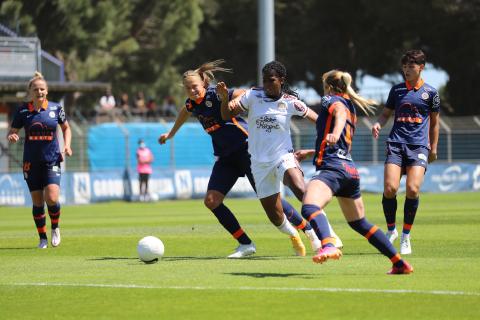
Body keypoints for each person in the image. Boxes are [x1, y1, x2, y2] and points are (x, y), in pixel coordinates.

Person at [159, 60, 320, 258]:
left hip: (248, 152)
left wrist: (240, 98)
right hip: (226, 158)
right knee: (211, 201)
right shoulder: (192, 104)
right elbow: (184, 112)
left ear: (204, 84)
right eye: (187, 88)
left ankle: (308, 230)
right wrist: (171, 133)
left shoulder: (215, 95)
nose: (191, 90)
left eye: (195, 86)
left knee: (272, 200)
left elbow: (247, 93)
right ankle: (245, 244)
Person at [296, 69, 413, 274]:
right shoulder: (351, 107)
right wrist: (312, 151)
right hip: (349, 170)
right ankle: (398, 262)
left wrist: (334, 132)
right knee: (360, 223)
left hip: (332, 168)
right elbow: (340, 138)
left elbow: (338, 114)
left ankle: (328, 244)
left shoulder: (330, 100)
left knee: (309, 207)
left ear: (330, 87)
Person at [225, 61, 343, 256]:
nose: (267, 85)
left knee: (299, 186)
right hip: (259, 163)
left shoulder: (290, 102)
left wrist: (332, 136)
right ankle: (298, 235)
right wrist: (225, 101)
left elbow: (319, 121)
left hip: (283, 156)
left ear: (281, 80)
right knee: (275, 216)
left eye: (271, 80)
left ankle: (329, 235)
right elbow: (229, 112)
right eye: (264, 81)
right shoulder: (253, 96)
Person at [371, 50, 440, 255]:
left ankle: (406, 236)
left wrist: (433, 148)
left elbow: (435, 124)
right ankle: (391, 230)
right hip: (396, 143)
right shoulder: (397, 90)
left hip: (419, 146)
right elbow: (385, 114)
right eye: (404, 67)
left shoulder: (431, 93)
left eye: (411, 66)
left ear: (421, 67)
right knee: (391, 188)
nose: (407, 70)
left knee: (412, 189)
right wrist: (378, 123)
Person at [7, 71, 73, 249]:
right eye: (36, 89)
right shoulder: (22, 110)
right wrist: (12, 136)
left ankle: (55, 227)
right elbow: (12, 131)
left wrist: (66, 145)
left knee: (51, 197)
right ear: (30, 91)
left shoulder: (55, 109)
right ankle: (42, 238)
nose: (39, 92)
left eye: (42, 89)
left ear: (47, 91)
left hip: (51, 160)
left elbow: (66, 128)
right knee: (37, 202)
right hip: (30, 162)